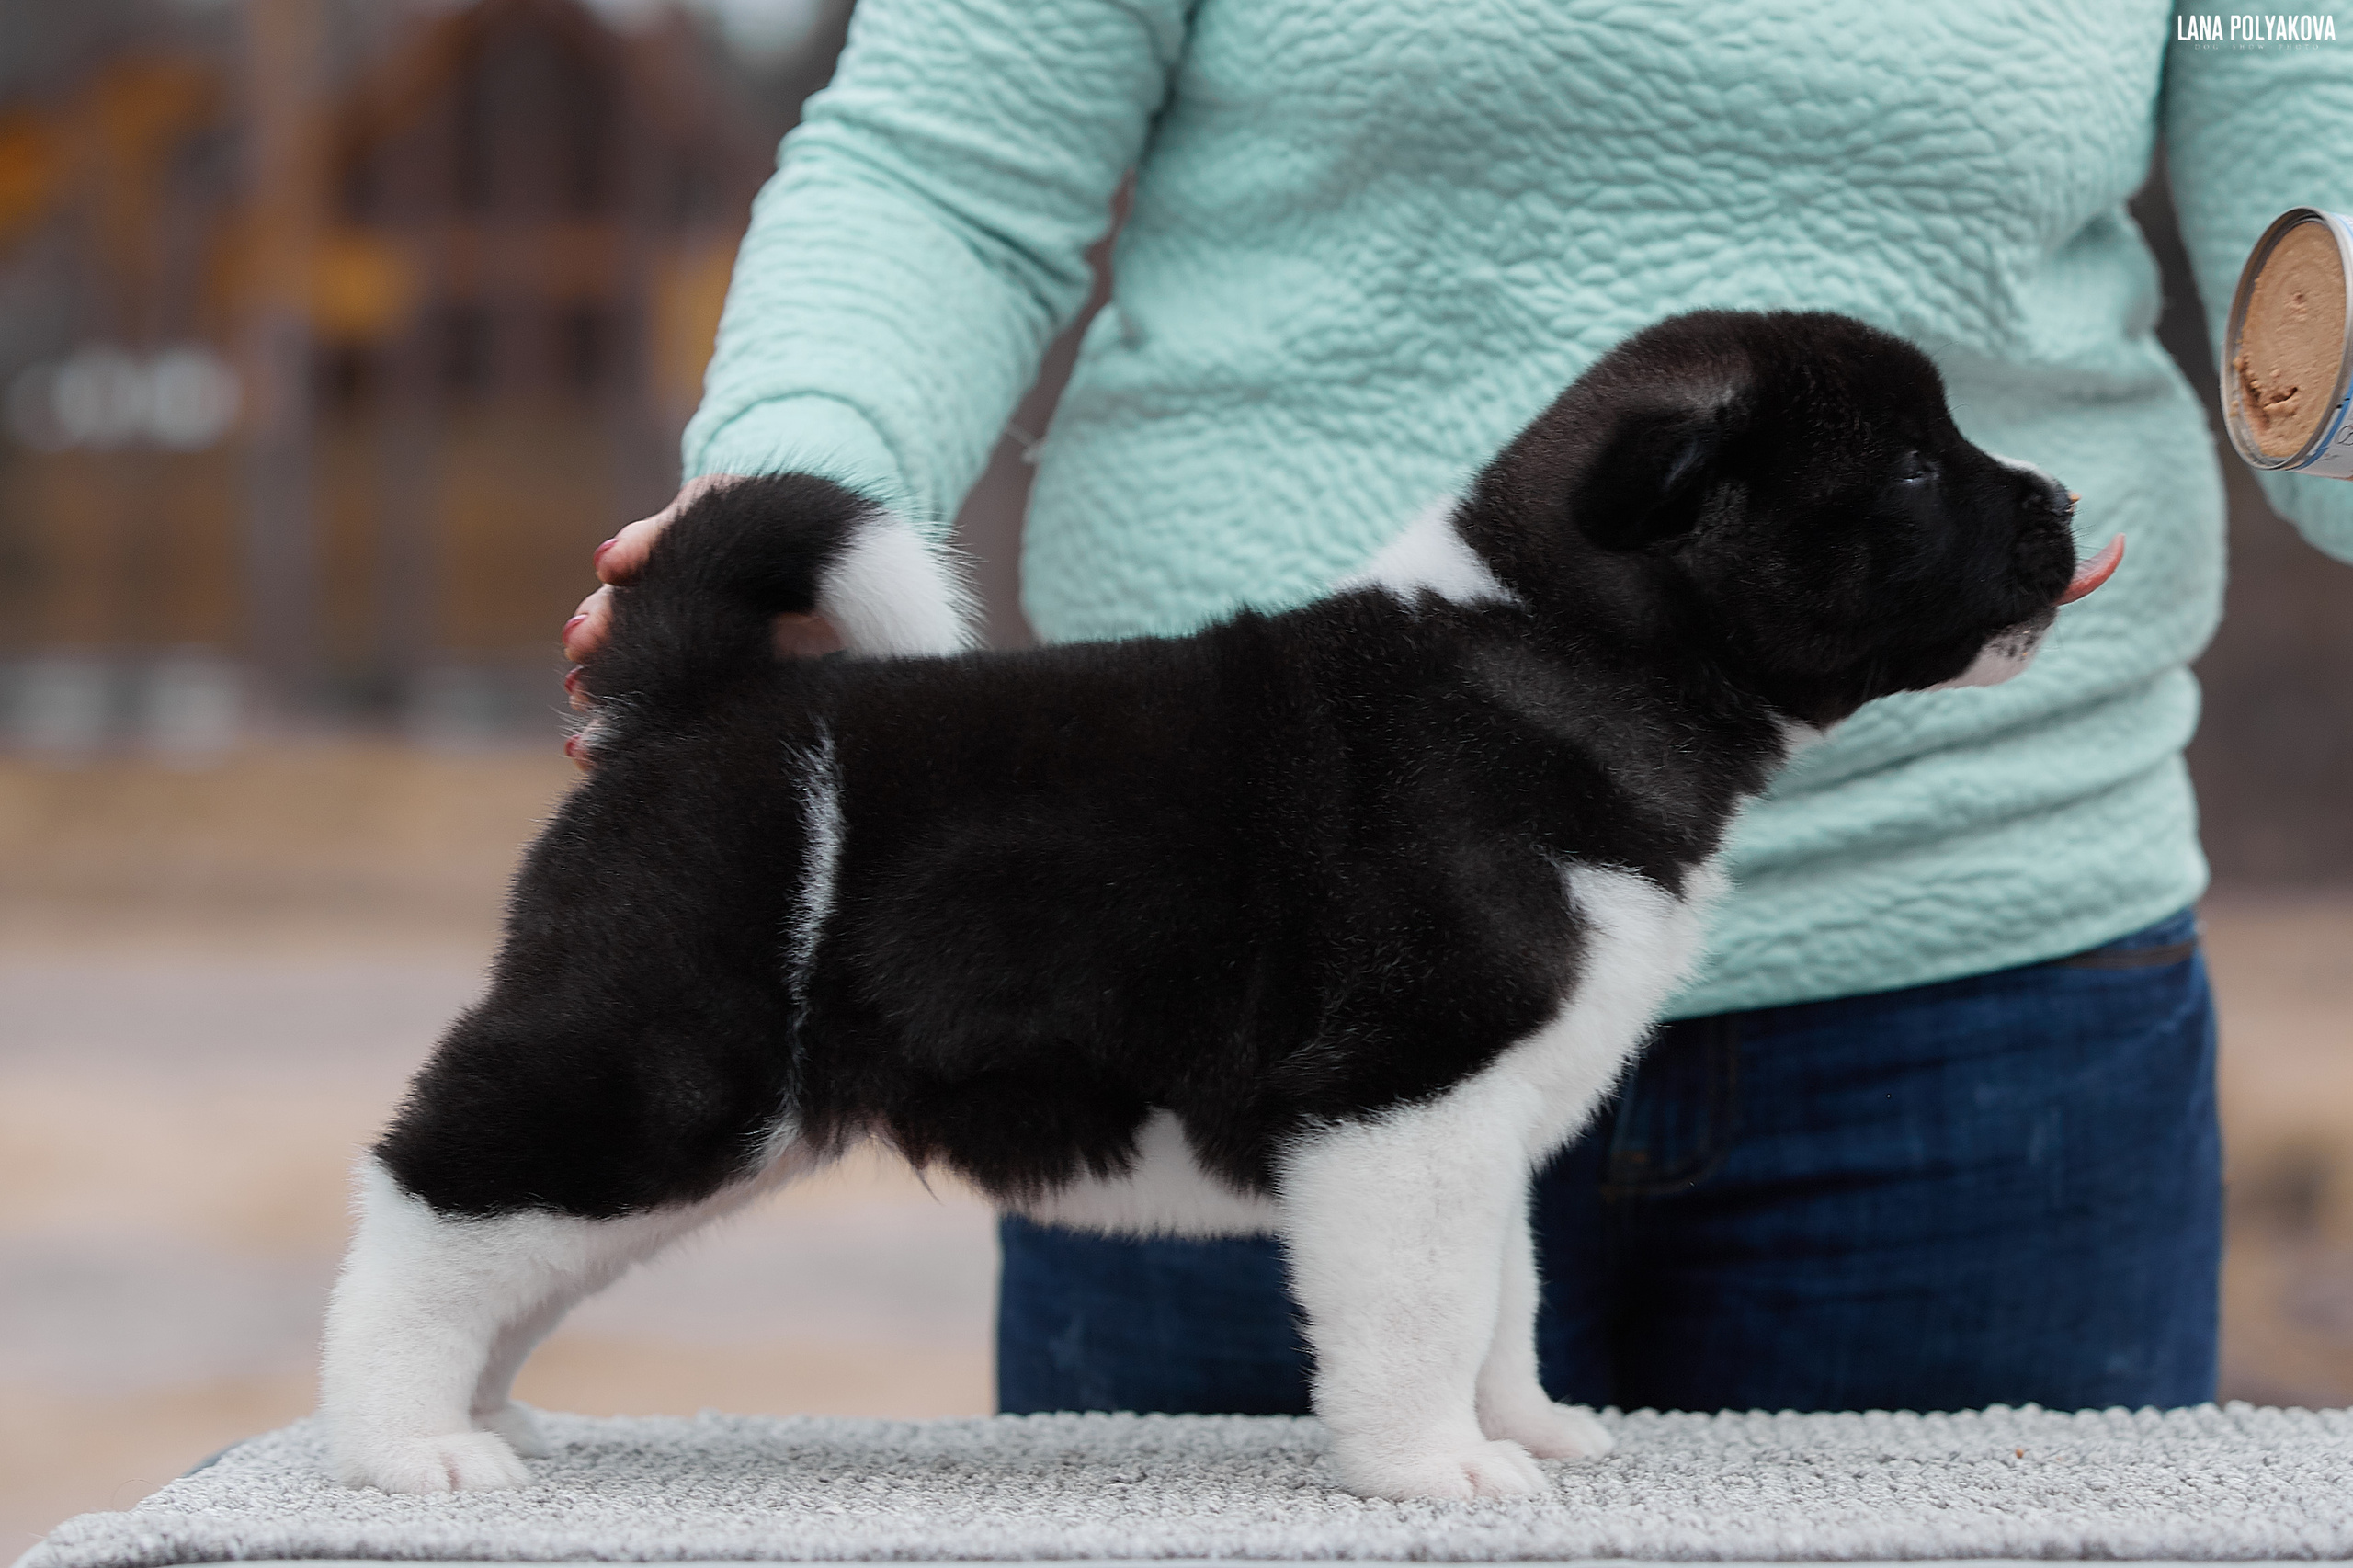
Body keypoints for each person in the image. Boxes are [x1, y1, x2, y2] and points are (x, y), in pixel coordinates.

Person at [563, 2, 2353, 1415]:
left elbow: (2316, 187)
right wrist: (804, 477)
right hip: (1230, 943)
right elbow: (946, 176)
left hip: (1989, 1003)